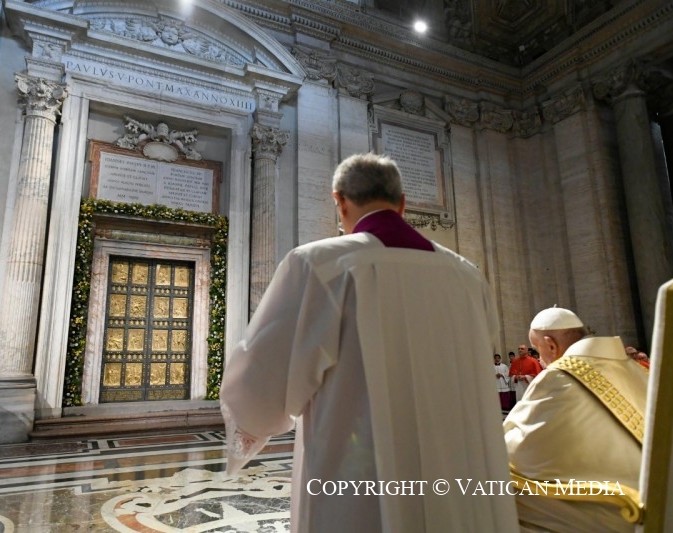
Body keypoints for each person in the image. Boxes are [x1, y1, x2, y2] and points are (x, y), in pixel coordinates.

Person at [220, 153, 518, 532]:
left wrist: (251, 427)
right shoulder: (467, 277)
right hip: (459, 474)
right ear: (403, 203)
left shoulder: (319, 265)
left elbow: (260, 378)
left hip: (358, 478)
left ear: (339, 201)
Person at [504, 307, 649, 532]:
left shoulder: (559, 376)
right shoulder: (634, 368)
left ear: (551, 345)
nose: (539, 359)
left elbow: (521, 453)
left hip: (620, 510)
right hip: (654, 492)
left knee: (487, 491)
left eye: (537, 350)